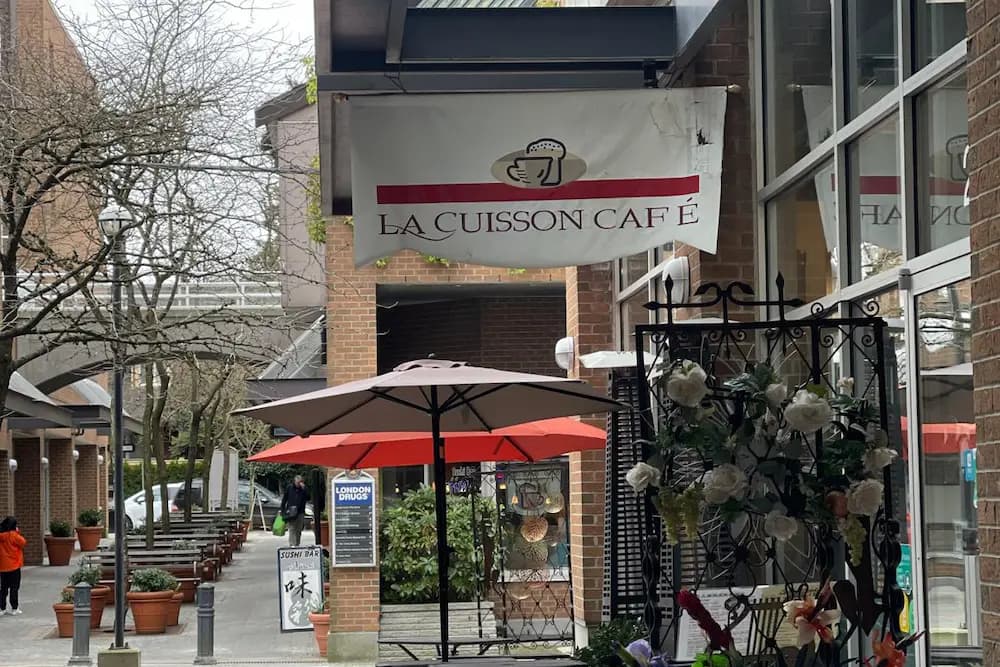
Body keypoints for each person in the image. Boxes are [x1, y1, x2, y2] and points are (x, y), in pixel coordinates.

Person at [0, 516, 26, 615]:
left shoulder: (1, 536)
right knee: (14, 587)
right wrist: (17, 532)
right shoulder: (13, 535)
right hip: (14, 566)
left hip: (3, 566)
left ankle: (2, 608)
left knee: (3, 588)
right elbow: (23, 542)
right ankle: (14, 608)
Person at [280, 476, 310, 547]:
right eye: (297, 482)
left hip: (300, 512)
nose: (298, 484)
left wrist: (305, 489)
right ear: (294, 481)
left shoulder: (303, 490)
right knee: (292, 528)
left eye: (300, 482)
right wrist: (282, 509)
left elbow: (308, 497)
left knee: (298, 530)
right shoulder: (290, 488)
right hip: (291, 511)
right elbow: (284, 499)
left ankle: (297, 544)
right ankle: (292, 544)